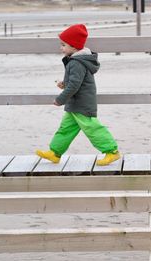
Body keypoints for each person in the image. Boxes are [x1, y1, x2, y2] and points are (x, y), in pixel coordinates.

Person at [36, 24, 120, 166]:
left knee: (92, 128)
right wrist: (64, 84)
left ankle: (112, 152)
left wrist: (60, 99)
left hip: (82, 103)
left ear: (74, 47)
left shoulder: (76, 63)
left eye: (63, 45)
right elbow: (75, 82)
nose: (61, 48)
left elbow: (75, 85)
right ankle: (55, 153)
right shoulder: (76, 61)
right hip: (75, 104)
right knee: (65, 129)